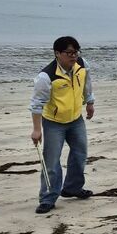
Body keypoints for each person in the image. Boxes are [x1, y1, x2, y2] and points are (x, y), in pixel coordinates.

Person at [29, 36, 95, 214]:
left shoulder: (82, 64)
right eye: (69, 53)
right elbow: (36, 105)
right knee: (51, 162)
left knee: (80, 154)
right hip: (53, 123)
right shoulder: (46, 76)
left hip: (76, 120)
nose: (74, 56)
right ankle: (48, 198)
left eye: (76, 52)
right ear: (57, 53)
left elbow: (86, 84)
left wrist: (89, 102)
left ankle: (72, 188)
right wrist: (37, 130)